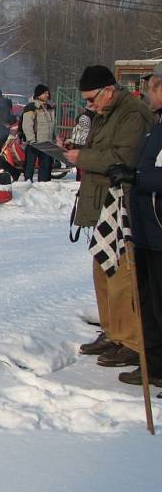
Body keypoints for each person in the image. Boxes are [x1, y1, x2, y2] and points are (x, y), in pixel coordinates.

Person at [65, 65, 154, 367]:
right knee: (102, 271)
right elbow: (98, 149)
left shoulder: (133, 113)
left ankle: (130, 339)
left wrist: (84, 157)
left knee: (122, 274)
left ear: (108, 90)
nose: (89, 106)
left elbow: (124, 159)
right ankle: (112, 331)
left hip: (121, 204)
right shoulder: (103, 114)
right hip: (101, 202)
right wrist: (76, 150)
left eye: (92, 99)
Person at [106, 64, 162, 387]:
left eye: (152, 87)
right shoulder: (156, 125)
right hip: (146, 230)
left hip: (159, 228)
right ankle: (153, 365)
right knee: (149, 304)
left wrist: (137, 176)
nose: (146, 93)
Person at [22, 84, 56, 182]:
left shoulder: (49, 107)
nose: (47, 95)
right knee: (30, 167)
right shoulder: (31, 107)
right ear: (38, 94)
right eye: (45, 93)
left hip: (46, 143)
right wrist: (32, 140)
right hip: (35, 143)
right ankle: (27, 186)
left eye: (47, 93)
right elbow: (27, 125)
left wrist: (53, 138)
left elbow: (51, 125)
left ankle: (43, 187)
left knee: (45, 168)